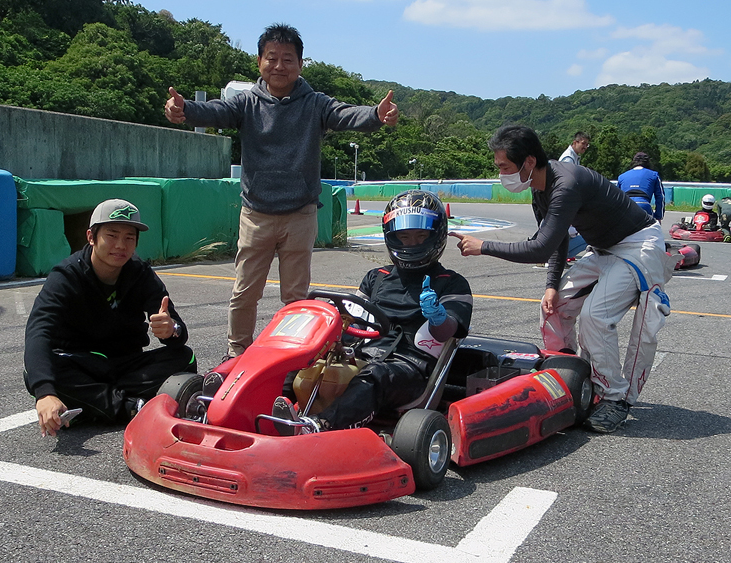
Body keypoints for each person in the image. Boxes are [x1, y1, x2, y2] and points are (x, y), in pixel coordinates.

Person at [164, 23, 399, 359]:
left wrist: (376, 114)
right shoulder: (246, 103)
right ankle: (236, 354)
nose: (279, 66)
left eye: (287, 59)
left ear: (300, 65)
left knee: (296, 297)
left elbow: (347, 114)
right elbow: (217, 110)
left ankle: (293, 356)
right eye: (271, 58)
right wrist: (185, 109)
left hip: (300, 215)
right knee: (244, 293)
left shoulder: (315, 104)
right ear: (259, 61)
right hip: (256, 214)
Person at [451, 125, 673, 434]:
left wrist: (483, 247)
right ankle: (571, 373)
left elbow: (539, 247)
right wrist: (552, 287)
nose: (501, 174)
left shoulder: (565, 184)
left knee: (596, 317)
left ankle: (615, 398)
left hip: (639, 246)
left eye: (504, 167)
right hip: (606, 248)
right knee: (553, 307)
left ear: (528, 162)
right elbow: (555, 241)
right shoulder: (539, 189)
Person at [271, 190, 473, 434]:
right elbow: (350, 319)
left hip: (411, 368)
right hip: (363, 355)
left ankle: (319, 426)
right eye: (405, 236)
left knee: (375, 374)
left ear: (436, 236)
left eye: (420, 236)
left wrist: (437, 316)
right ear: (392, 236)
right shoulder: (377, 278)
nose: (412, 243)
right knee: (304, 353)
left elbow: (447, 333)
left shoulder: (451, 283)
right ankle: (275, 404)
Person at [24, 199, 196, 437]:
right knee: (41, 375)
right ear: (91, 237)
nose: (120, 245)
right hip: (82, 364)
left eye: (129, 237)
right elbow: (38, 331)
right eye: (112, 235)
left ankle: (96, 405)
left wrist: (172, 329)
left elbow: (176, 331)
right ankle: (132, 407)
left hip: (126, 365)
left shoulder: (140, 273)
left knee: (184, 358)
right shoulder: (66, 277)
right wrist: (44, 393)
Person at [617, 152, 665, 222]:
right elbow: (660, 197)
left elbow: (617, 197)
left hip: (626, 206)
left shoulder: (622, 176)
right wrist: (658, 216)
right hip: (643, 205)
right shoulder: (654, 175)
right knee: (650, 230)